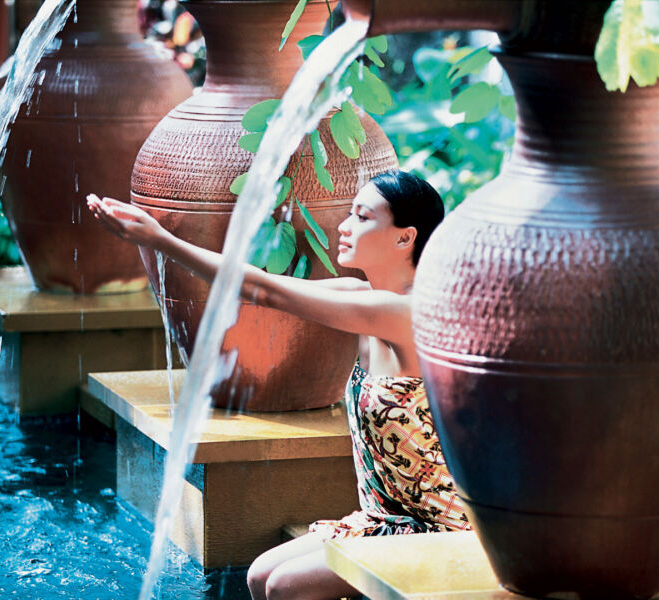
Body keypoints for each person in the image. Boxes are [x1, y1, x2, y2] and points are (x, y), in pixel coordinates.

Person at [86, 169, 471, 600]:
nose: (344, 227)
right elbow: (253, 289)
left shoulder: (405, 312)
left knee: (286, 585)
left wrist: (161, 240)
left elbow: (265, 291)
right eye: (349, 213)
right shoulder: (360, 294)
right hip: (385, 518)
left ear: (405, 238)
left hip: (438, 527)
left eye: (362, 217)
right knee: (259, 576)